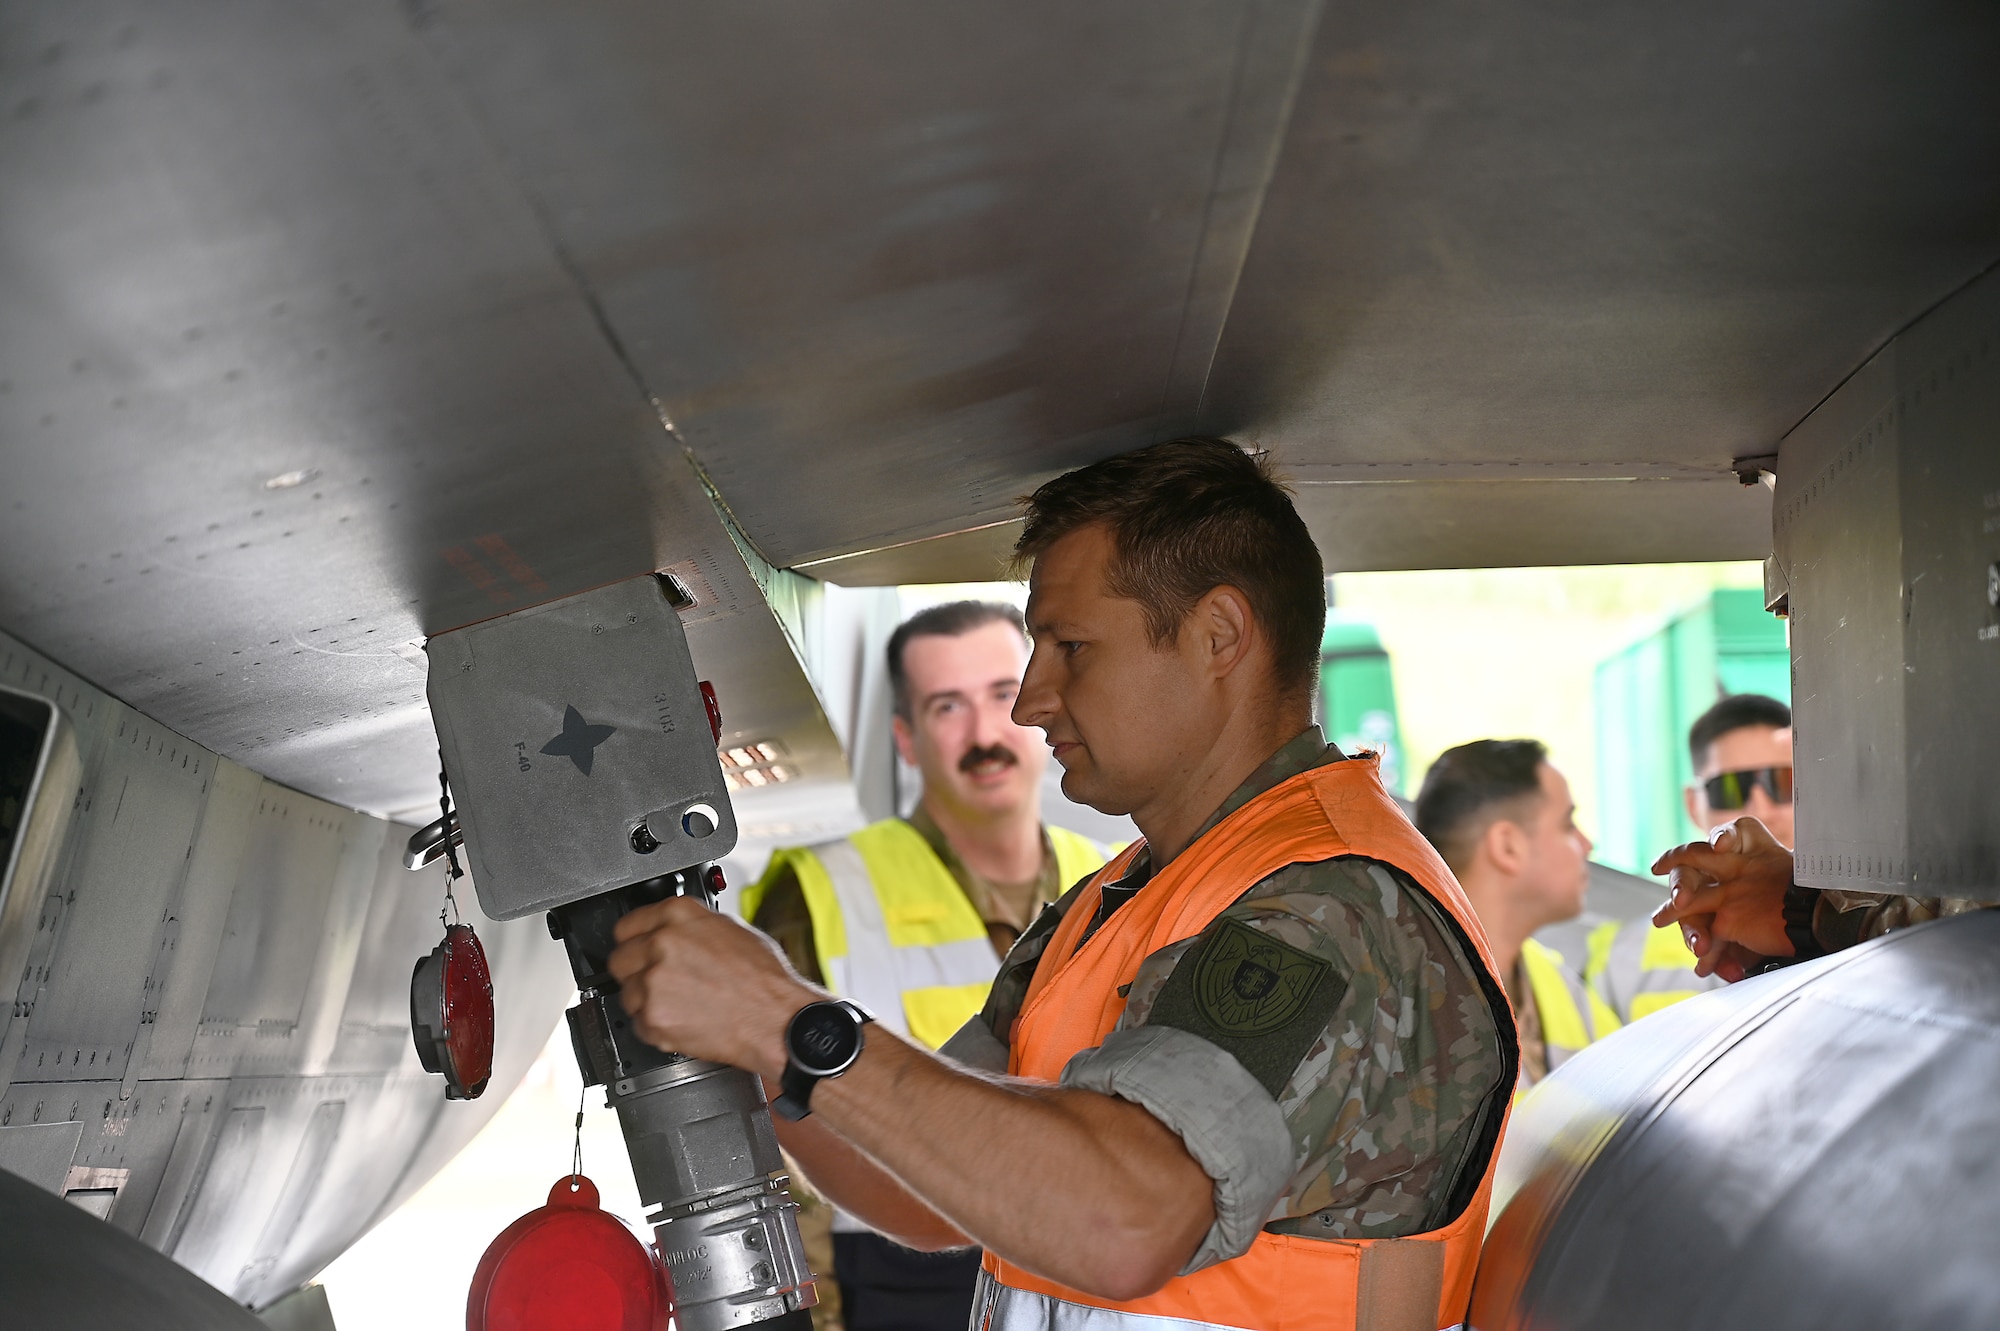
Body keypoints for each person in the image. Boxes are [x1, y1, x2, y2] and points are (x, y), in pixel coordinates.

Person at [609, 437, 1517, 1331]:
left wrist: (782, 1018)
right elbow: (921, 1188)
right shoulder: (1119, 901)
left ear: (1220, 636)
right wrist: (751, 1042)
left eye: (1070, 646)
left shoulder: (1335, 908)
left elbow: (1126, 1223)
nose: (1029, 699)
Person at [741, 600, 1112, 1331]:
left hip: (1076, 1279)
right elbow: (770, 1147)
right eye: (948, 707)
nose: (984, 735)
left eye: (1003, 696)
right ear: (906, 740)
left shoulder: (1109, 881)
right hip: (894, 1286)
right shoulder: (820, 893)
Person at [1414, 740, 1611, 1088]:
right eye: (1568, 825)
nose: (1586, 844)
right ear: (1507, 847)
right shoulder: (1404, 1000)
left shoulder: (1556, 982)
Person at [1584, 696, 1786, 1022]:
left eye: (1783, 783)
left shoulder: (1864, 923)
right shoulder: (1621, 962)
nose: (1762, 811)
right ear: (1693, 804)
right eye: (1731, 788)